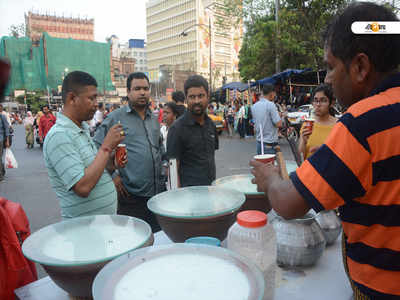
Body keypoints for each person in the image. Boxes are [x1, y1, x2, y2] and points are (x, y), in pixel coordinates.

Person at [251, 3, 400, 299]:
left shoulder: (362, 124)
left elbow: (288, 204)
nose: (328, 79)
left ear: (360, 67)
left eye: (331, 67)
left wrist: (269, 179)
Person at [43, 71, 126, 219]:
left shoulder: (83, 129)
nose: (96, 104)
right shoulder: (59, 136)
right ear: (72, 98)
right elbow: (83, 187)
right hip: (83, 230)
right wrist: (106, 148)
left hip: (99, 226)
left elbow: (91, 170)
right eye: (91, 98)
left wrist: (110, 162)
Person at [94, 72, 164, 232]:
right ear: (128, 92)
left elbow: (159, 148)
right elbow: (96, 147)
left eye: (146, 88)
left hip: (156, 195)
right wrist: (112, 175)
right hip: (130, 197)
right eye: (137, 88)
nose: (142, 92)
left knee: (156, 240)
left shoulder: (153, 119)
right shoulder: (115, 118)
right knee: (134, 243)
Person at [167, 75, 219, 187]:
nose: (197, 101)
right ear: (186, 99)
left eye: (201, 96)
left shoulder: (210, 125)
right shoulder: (177, 129)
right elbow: (173, 170)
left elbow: (210, 158)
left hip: (210, 191)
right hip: (188, 197)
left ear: (208, 96)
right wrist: (177, 198)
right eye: (192, 97)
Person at [298, 84, 337, 160]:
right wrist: (303, 141)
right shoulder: (307, 124)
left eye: (323, 100)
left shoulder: (338, 125)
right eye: (316, 100)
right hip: (309, 170)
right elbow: (300, 157)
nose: (318, 104)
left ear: (331, 103)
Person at [251, 84, 282, 154]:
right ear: (272, 93)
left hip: (260, 143)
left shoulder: (254, 106)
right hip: (269, 144)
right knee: (270, 164)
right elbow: (279, 124)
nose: (275, 96)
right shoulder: (270, 105)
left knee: (263, 164)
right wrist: (280, 116)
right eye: (275, 94)